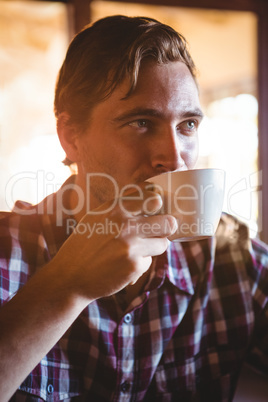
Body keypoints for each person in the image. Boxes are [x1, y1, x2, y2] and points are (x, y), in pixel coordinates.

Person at [0, 15, 267, 402]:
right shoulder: (8, 253)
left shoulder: (229, 255)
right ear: (71, 137)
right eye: (142, 122)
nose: (174, 159)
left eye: (188, 125)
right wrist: (67, 286)